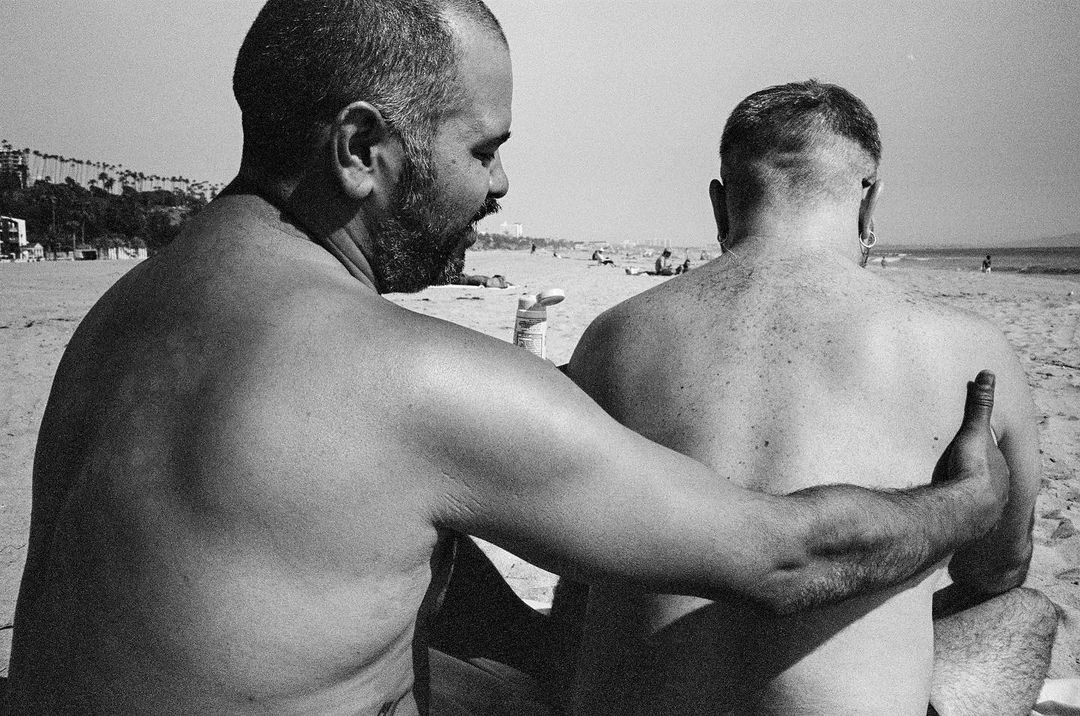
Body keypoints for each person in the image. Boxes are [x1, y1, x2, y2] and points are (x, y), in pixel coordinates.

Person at [5, 6, 1006, 713]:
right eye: (483, 149)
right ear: (361, 148)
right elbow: (788, 556)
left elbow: (326, 535)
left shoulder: (126, 317)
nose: (501, 185)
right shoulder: (401, 373)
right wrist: (962, 505)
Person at [568, 81, 1057, 715]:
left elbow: (576, 566)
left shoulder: (610, 337)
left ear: (720, 203)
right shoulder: (968, 346)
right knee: (1025, 613)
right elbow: (998, 570)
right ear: (869, 200)